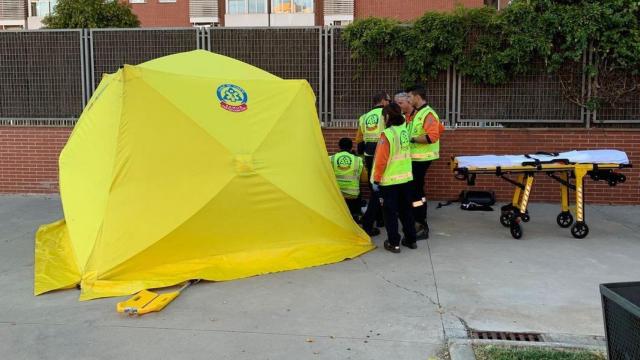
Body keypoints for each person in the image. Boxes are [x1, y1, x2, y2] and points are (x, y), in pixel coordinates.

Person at [371, 103, 417, 253]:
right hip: (406, 179)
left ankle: (394, 243)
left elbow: (380, 161)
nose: (383, 119)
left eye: (383, 116)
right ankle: (411, 240)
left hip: (390, 181)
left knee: (390, 213)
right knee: (406, 211)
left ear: (388, 117)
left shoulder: (387, 134)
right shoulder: (404, 131)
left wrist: (376, 180)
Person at [405, 85, 445, 240]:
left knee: (416, 192)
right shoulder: (418, 113)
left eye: (409, 97)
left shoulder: (427, 113)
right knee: (417, 191)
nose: (408, 100)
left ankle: (420, 224)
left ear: (417, 96)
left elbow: (432, 136)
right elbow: (440, 129)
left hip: (421, 159)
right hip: (416, 158)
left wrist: (411, 139)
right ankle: (419, 219)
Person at [356, 92, 391, 236]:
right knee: (383, 187)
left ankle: (377, 217)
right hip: (384, 154)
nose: (389, 102)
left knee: (374, 186)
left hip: (369, 155)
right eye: (388, 100)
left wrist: (361, 156)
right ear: (383, 101)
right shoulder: (386, 115)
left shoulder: (364, 117)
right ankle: (379, 218)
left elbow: (359, 139)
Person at [330, 138, 368, 222]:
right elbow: (364, 179)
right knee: (358, 187)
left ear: (339, 146)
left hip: (336, 194)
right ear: (351, 147)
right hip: (353, 196)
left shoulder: (331, 159)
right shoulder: (357, 160)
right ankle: (356, 215)